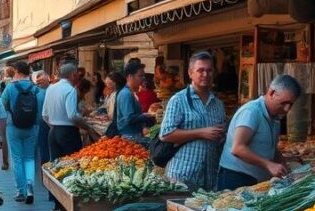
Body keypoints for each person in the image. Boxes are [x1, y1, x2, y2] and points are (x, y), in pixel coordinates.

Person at [218, 74, 302, 189]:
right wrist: (268, 164)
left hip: (255, 180)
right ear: (272, 93)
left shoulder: (275, 116)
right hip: (236, 178)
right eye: (284, 103)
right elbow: (237, 148)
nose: (287, 109)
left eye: (290, 104)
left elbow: (269, 145)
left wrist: (282, 162)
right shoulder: (251, 112)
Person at [160, 52, 228, 191]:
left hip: (209, 178)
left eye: (209, 70)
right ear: (190, 73)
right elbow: (166, 134)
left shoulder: (218, 104)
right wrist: (201, 133)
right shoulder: (178, 100)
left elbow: (221, 138)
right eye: (200, 70)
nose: (205, 74)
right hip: (182, 176)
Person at [42, 61, 100, 211]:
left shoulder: (51, 88)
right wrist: (87, 127)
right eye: (77, 74)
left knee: (56, 168)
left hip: (53, 131)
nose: (78, 77)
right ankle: (68, 206)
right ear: (73, 74)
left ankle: (56, 207)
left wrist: (54, 125)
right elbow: (72, 115)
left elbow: (44, 115)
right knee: (72, 168)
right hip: (67, 132)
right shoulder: (70, 90)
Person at [2, 60, 41, 203]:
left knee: (17, 158)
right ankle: (30, 187)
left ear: (17, 72)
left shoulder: (10, 87)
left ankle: (20, 191)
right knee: (30, 158)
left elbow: (3, 104)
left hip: (14, 126)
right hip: (32, 126)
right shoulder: (35, 88)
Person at [116, 61, 153, 138]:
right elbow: (129, 118)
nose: (143, 78)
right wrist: (145, 116)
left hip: (133, 134)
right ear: (130, 77)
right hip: (129, 136)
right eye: (140, 76)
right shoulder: (126, 94)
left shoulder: (130, 92)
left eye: (143, 76)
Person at [34, 70, 51, 173]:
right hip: (43, 123)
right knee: (44, 146)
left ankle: (44, 167)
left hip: (44, 122)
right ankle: (45, 167)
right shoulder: (36, 91)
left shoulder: (36, 91)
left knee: (43, 146)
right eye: (39, 81)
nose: (40, 82)